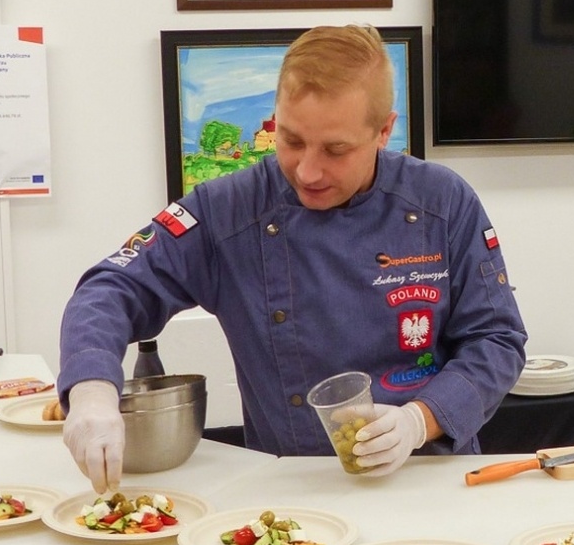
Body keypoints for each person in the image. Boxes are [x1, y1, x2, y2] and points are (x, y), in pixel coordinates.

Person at [57, 25, 528, 492]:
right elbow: (112, 288)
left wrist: (419, 420)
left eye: (336, 150)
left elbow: (497, 339)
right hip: (293, 491)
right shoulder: (229, 210)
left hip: (433, 477)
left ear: (384, 131)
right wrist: (92, 390)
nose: (308, 171)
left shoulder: (441, 202)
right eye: (292, 140)